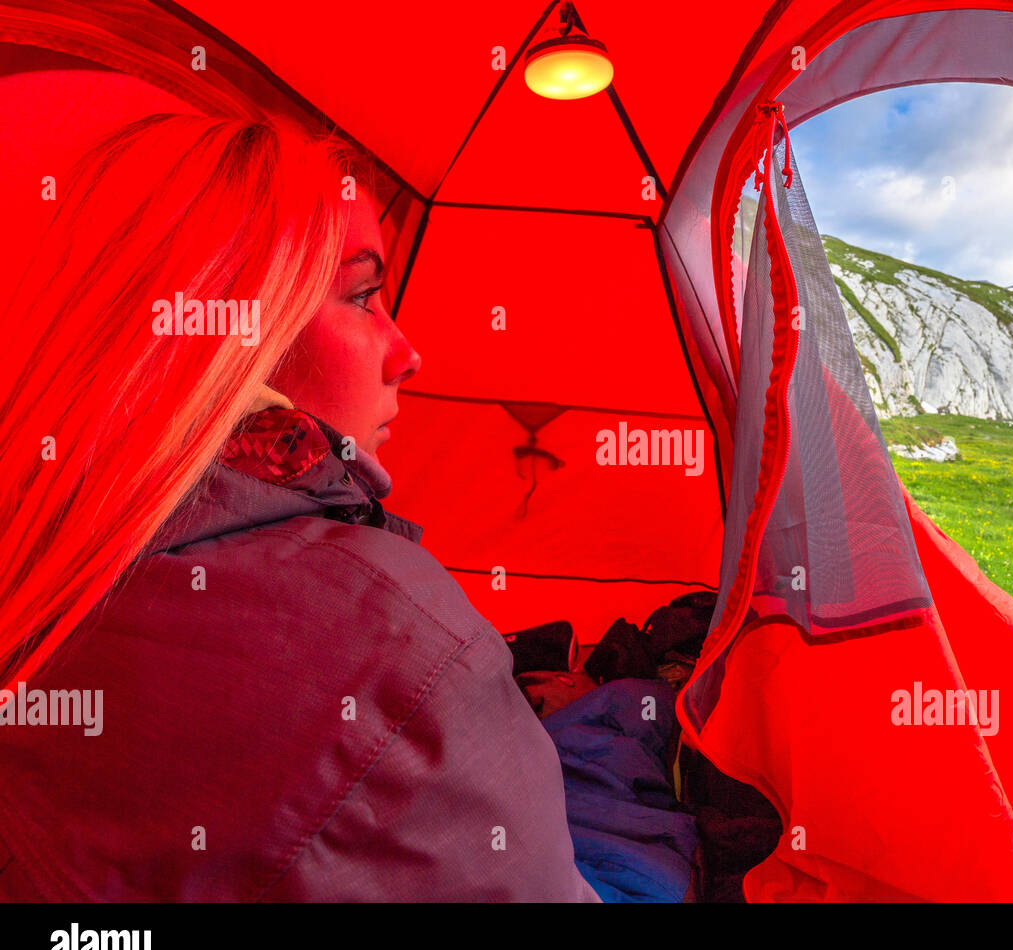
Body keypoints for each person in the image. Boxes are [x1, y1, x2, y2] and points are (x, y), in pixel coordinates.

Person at [0, 114, 600, 902]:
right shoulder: (411, 649)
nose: (407, 352)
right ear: (234, 334)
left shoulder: (45, 557)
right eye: (363, 295)